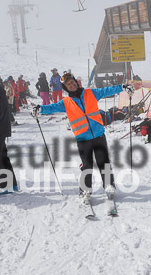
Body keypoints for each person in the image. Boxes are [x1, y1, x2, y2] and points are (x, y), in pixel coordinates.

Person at [33, 72, 134, 201]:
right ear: (65, 88)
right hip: (82, 138)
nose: (72, 84)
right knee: (87, 165)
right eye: (68, 84)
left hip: (98, 134)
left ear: (76, 82)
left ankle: (109, 185)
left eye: (73, 82)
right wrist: (39, 109)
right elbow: (51, 107)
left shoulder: (90, 93)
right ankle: (85, 190)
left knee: (103, 161)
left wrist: (123, 87)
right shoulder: (66, 102)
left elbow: (106, 90)